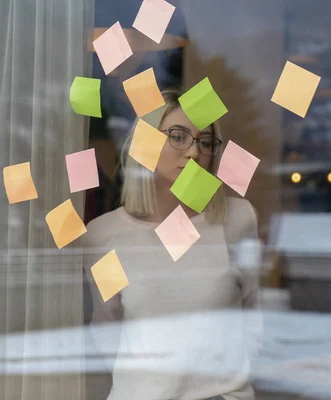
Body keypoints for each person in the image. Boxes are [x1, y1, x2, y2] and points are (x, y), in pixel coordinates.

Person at [83, 88, 262, 400]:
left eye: (205, 142)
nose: (193, 153)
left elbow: (254, 317)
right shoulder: (103, 235)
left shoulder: (236, 219)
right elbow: (107, 328)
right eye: (178, 137)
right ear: (146, 143)